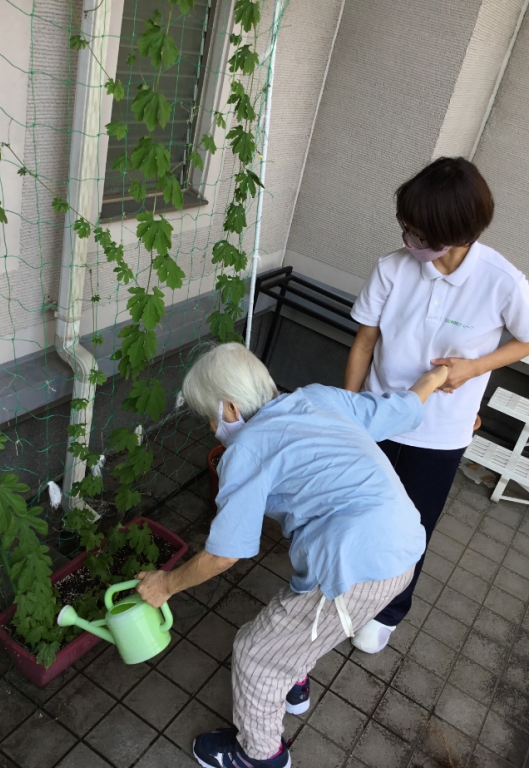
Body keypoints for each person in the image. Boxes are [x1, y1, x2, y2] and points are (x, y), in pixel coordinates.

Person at [136, 342, 448, 768]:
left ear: (229, 408)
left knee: (256, 654)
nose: (212, 426)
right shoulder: (318, 397)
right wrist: (435, 378)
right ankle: (294, 679)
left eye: (209, 416)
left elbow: (225, 554)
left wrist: (165, 585)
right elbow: (399, 410)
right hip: (404, 546)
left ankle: (260, 755)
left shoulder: (246, 450)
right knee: (300, 619)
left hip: (353, 568)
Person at [345, 156, 529, 655]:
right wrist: (351, 408)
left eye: (418, 232)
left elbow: (526, 340)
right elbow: (364, 342)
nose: (407, 239)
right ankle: (349, 588)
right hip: (379, 414)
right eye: (406, 227)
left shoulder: (501, 281)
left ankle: (388, 611)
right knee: (360, 510)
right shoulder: (391, 268)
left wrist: (474, 368)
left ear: (454, 232)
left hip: (441, 431)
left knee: (414, 526)